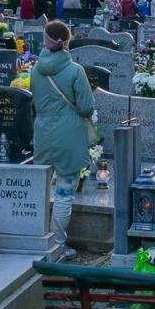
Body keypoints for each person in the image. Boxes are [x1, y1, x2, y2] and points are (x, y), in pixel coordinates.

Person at [30, 20, 95, 260]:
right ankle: (58, 244)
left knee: (44, 189)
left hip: (43, 132)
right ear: (67, 41)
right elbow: (87, 106)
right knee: (65, 193)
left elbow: (35, 100)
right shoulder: (75, 70)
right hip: (70, 134)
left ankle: (41, 240)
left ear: (47, 40)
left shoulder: (36, 70)